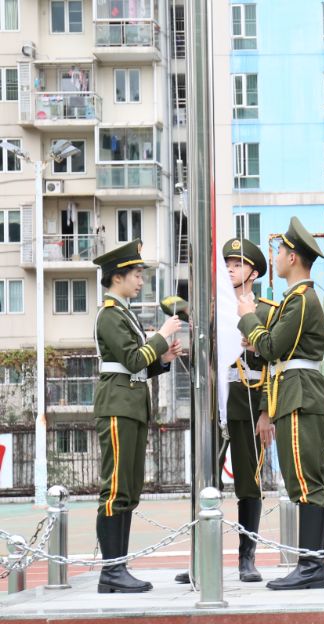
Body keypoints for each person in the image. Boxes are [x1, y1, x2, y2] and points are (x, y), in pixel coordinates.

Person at [237, 217, 324, 590]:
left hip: (300, 392)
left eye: (279, 251)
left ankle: (311, 567)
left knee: (306, 482)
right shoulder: (298, 299)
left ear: (292, 257)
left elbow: (273, 347)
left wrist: (248, 319)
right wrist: (256, 337)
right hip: (293, 390)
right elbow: (273, 347)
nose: (275, 256)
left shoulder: (301, 299)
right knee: (302, 480)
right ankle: (312, 565)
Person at [174, 238, 272, 585]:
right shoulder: (213, 310)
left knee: (249, 483)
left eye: (237, 264)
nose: (230, 269)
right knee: (206, 482)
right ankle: (202, 558)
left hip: (247, 403)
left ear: (254, 272)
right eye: (227, 264)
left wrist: (266, 412)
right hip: (215, 403)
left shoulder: (266, 311)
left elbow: (273, 364)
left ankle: (247, 558)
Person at [92, 240, 183, 593]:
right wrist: (161, 337)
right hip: (117, 405)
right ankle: (111, 571)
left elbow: (138, 367)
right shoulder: (110, 314)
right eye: (136, 273)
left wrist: (162, 360)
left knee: (128, 489)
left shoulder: (123, 313)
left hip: (130, 404)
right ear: (117, 277)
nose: (141, 280)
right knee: (115, 488)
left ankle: (118, 569)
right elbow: (130, 360)